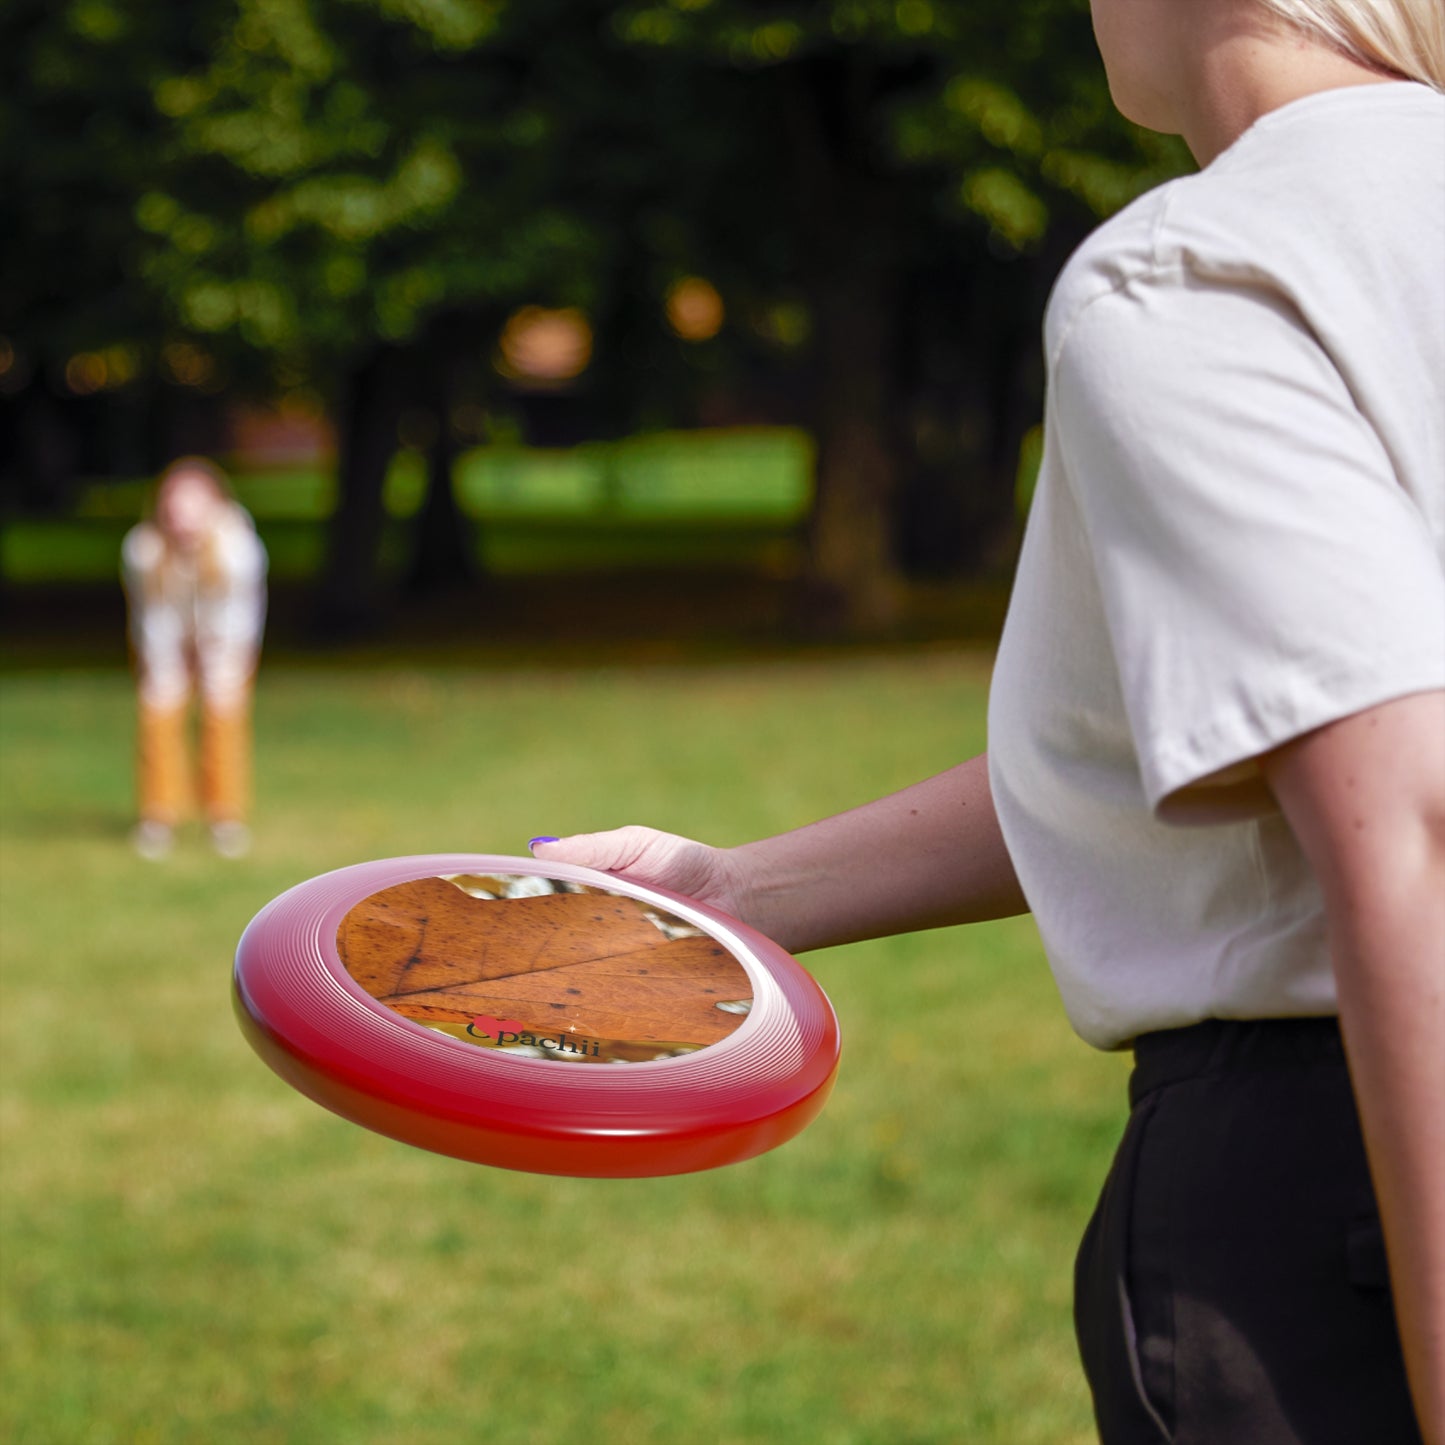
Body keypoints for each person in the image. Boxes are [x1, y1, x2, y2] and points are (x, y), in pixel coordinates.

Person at [530, 2, 1445, 1440]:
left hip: (1341, 1194)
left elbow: (1408, 822)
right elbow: (1220, 743)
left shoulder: (1203, 270)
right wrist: (737, 890)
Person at [121, 457, 268, 860]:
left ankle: (225, 818)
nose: (182, 517)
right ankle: (158, 816)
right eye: (174, 506)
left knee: (223, 717)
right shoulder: (143, 549)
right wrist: (168, 665)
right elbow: (152, 616)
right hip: (165, 640)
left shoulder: (239, 549)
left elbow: (239, 616)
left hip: (226, 641)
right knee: (158, 712)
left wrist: (215, 659)